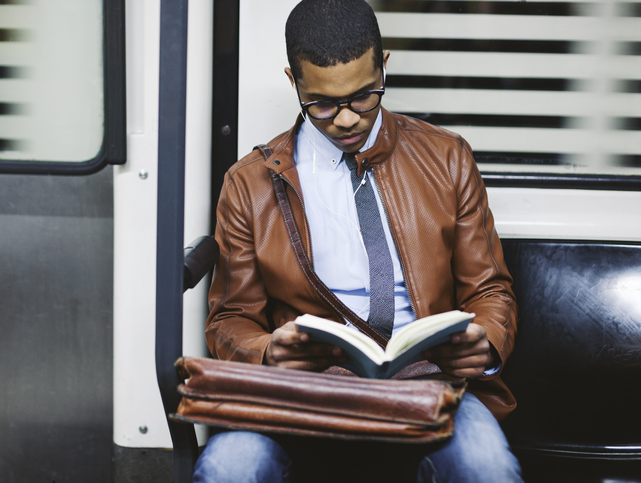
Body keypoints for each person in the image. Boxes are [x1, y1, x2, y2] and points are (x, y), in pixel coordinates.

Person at [194, 0, 522, 481]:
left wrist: (487, 342)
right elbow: (231, 318)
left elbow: (490, 290)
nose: (346, 119)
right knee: (229, 469)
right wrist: (267, 351)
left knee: (487, 468)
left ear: (384, 66)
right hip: (300, 389)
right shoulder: (249, 184)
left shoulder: (448, 158)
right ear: (294, 82)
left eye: (364, 97)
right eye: (323, 103)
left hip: (429, 382)